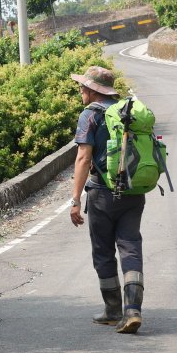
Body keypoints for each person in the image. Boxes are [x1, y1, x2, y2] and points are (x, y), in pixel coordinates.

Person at [69, 65, 144, 334]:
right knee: (130, 246)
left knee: (103, 251)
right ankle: (133, 310)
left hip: (102, 193)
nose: (80, 91)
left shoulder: (89, 115)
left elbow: (83, 158)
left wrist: (75, 199)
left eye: (83, 87)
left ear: (92, 91)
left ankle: (113, 310)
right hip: (134, 192)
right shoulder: (127, 111)